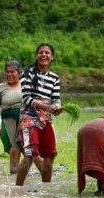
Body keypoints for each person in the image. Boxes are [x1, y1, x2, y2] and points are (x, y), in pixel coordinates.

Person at [16, 43, 62, 186]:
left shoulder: (54, 78)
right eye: (41, 52)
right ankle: (18, 189)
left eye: (47, 53)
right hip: (29, 119)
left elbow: (55, 98)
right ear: (37, 56)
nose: (44, 55)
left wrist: (57, 106)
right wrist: (42, 105)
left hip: (46, 119)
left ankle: (46, 191)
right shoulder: (27, 74)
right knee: (30, 155)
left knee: (49, 156)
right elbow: (26, 98)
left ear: (52, 57)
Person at [0, 59, 42, 174]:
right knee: (14, 151)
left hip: (26, 122)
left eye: (12, 72)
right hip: (8, 124)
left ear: (19, 73)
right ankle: (15, 179)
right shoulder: (0, 88)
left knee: (31, 150)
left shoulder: (26, 85)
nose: (9, 74)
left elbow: (36, 102)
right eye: (7, 71)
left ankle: (45, 175)